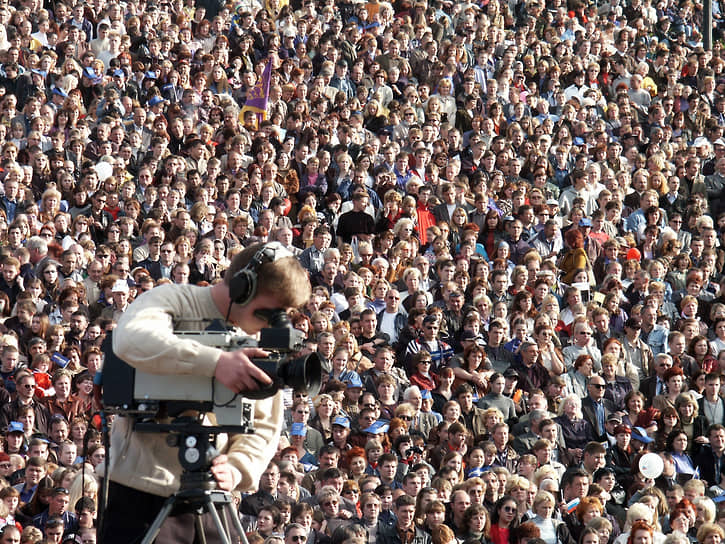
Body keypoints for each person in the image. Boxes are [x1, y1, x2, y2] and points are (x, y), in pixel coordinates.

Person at [101, 243, 312, 544]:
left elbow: (264, 423)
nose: (275, 321)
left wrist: (238, 468)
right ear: (243, 287)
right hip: (140, 494)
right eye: (272, 309)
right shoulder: (175, 299)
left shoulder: (254, 340)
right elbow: (131, 338)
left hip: (213, 498)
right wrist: (215, 363)